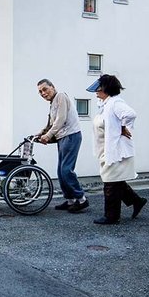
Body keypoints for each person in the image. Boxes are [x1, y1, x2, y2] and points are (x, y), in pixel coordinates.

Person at [87, 74, 146, 225]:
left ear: (106, 88)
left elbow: (131, 114)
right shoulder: (105, 104)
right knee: (115, 181)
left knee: (110, 182)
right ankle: (137, 201)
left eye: (99, 88)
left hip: (116, 151)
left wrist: (122, 127)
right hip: (107, 149)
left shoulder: (115, 103)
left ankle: (112, 216)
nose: (96, 91)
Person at [35, 79, 87, 213]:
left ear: (52, 87)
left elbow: (61, 119)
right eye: (40, 92)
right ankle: (70, 200)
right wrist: (40, 133)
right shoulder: (52, 103)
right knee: (60, 170)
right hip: (62, 137)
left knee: (66, 170)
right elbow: (51, 123)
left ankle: (81, 199)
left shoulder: (61, 97)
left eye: (45, 89)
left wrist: (48, 135)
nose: (43, 93)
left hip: (71, 135)